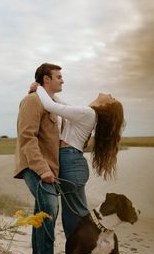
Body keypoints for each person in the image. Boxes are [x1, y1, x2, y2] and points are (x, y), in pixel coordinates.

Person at [29, 82, 125, 239]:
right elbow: (59, 104)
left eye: (111, 98)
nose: (109, 94)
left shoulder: (87, 113)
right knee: (73, 217)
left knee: (76, 216)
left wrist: (38, 87)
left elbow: (51, 106)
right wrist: (45, 90)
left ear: (106, 104)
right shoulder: (88, 113)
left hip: (71, 162)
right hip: (72, 161)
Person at [14, 63, 64, 254]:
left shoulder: (51, 104)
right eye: (58, 77)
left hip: (48, 169)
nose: (62, 81)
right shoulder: (32, 101)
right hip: (36, 168)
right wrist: (42, 169)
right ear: (46, 79)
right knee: (47, 216)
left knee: (41, 214)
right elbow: (27, 137)